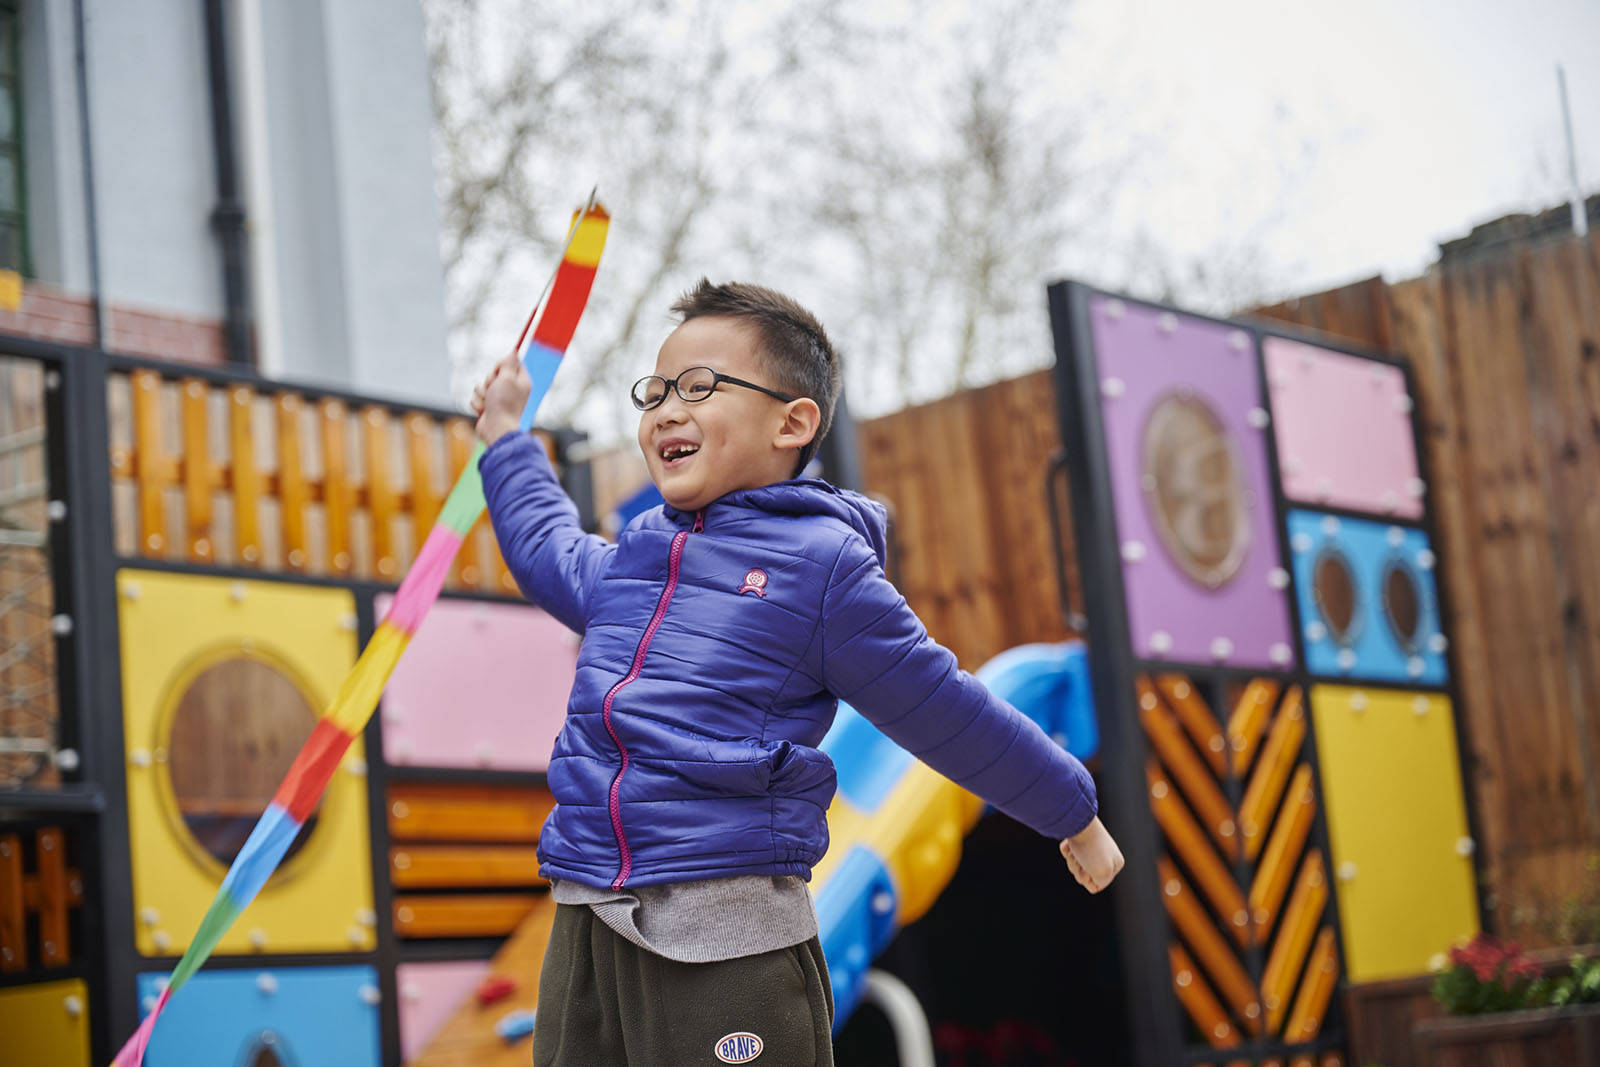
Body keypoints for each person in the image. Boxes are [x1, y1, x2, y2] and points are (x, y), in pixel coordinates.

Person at [471, 279, 1124, 1066]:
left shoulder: (821, 569)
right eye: (655, 391)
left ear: (793, 422)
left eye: (700, 386)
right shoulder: (636, 560)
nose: (667, 410)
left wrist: (1071, 810)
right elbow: (546, 543)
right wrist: (506, 433)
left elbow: (943, 707)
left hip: (724, 926)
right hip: (586, 916)